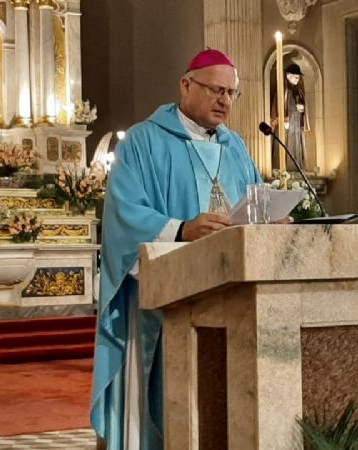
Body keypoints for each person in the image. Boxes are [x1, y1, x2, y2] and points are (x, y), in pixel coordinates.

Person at [91, 49, 265, 450]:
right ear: (186, 85)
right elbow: (124, 214)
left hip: (231, 294)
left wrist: (269, 223)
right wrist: (182, 229)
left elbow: (254, 204)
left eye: (231, 93)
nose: (224, 101)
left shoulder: (236, 147)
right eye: (216, 90)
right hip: (166, 299)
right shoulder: (144, 141)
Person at [272, 63, 310, 170]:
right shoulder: (282, 91)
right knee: (287, 143)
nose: (297, 80)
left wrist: (302, 109)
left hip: (297, 122)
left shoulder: (299, 91)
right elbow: (277, 106)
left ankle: (297, 167)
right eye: (295, 77)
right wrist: (282, 119)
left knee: (296, 144)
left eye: (298, 77)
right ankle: (285, 168)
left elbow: (304, 105)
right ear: (288, 76)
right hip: (286, 122)